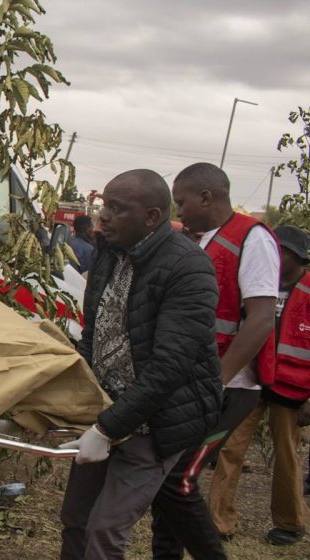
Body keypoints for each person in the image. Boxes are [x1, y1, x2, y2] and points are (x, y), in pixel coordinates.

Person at [57, 169, 221, 559]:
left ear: (151, 217)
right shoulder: (108, 253)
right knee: (76, 519)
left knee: (104, 530)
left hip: (158, 422)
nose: (102, 217)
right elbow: (94, 337)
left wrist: (108, 429)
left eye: (116, 209)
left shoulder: (189, 267)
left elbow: (169, 367)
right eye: (102, 206)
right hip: (107, 409)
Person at [150, 162, 279, 559]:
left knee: (177, 482)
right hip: (196, 385)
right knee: (164, 482)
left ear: (207, 197)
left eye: (183, 202)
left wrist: (217, 379)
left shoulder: (252, 238)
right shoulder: (204, 240)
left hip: (227, 386)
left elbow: (259, 319)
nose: (179, 212)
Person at [206, 225, 310, 546]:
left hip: (292, 388)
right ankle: (218, 521)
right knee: (230, 449)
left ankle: (290, 522)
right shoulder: (258, 281)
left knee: (286, 455)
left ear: (291, 256)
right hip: (251, 379)